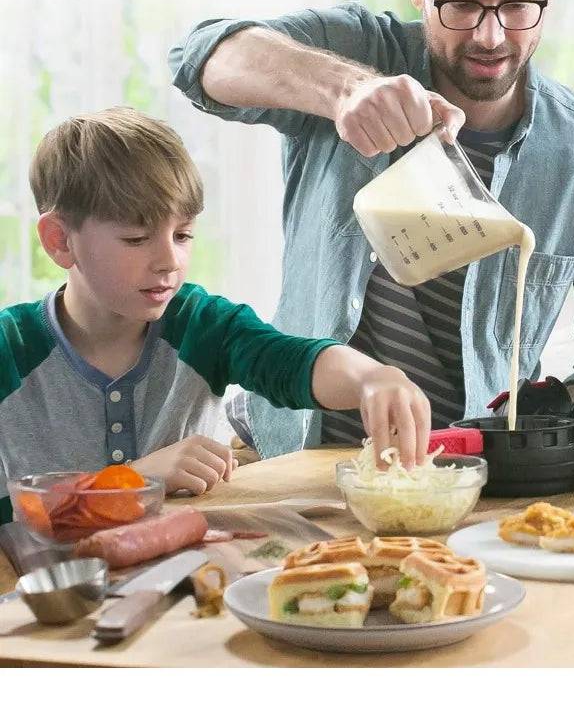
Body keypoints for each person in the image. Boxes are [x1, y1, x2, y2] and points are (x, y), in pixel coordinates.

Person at [168, 0, 574, 459]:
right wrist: (342, 89)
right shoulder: (358, 50)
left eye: (518, 4)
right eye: (460, 4)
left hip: (467, 477)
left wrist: (551, 431)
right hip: (294, 455)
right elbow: (199, 58)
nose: (490, 36)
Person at [0, 107, 431, 521]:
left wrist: (372, 378)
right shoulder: (9, 350)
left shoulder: (199, 323)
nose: (169, 260)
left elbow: (287, 361)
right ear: (60, 241)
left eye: (183, 234)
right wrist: (135, 480)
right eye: (136, 239)